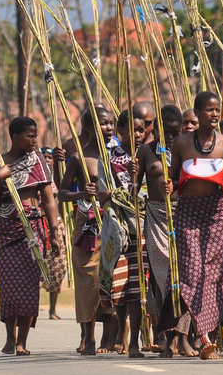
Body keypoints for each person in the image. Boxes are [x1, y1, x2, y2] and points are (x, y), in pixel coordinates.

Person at [165, 92, 223, 359]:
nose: (214, 114)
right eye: (209, 110)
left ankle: (205, 335)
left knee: (213, 275)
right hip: (188, 212)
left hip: (217, 213)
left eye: (217, 109)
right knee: (192, 272)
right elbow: (174, 181)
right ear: (197, 113)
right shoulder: (181, 143)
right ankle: (202, 335)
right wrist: (170, 186)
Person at [0, 116, 62, 356]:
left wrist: (55, 232)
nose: (33, 140)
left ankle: (22, 342)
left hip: (33, 230)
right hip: (6, 231)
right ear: (15, 137)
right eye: (29, 136)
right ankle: (10, 338)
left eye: (35, 135)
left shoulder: (38, 160)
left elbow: (48, 200)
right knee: (9, 288)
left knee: (29, 288)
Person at [60, 106, 116, 355]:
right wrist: (83, 193)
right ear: (90, 127)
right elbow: (61, 194)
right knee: (88, 280)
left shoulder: (120, 155)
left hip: (116, 224)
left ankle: (110, 339)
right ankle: (88, 337)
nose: (110, 128)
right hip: (88, 225)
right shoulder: (79, 158)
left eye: (112, 123)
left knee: (113, 278)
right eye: (104, 124)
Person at [97, 110, 148, 358]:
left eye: (141, 129)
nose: (138, 134)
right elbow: (103, 193)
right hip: (119, 228)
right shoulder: (108, 159)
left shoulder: (150, 154)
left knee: (139, 288)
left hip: (146, 227)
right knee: (121, 285)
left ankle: (137, 342)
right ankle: (120, 331)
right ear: (121, 131)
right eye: (132, 129)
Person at [136, 105, 182, 356]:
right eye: (170, 133)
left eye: (178, 132)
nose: (174, 138)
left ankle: (180, 337)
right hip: (155, 215)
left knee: (181, 276)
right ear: (159, 130)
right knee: (162, 276)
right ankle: (162, 334)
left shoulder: (185, 148)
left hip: (183, 214)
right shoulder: (146, 151)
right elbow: (137, 187)